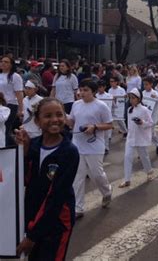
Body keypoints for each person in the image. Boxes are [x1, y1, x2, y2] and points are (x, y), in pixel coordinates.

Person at [15, 98, 79, 260]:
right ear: (37, 121)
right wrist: (24, 152)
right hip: (33, 218)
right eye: (47, 116)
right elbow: (24, 180)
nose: (54, 120)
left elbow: (56, 197)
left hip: (57, 222)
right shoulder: (34, 144)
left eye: (59, 115)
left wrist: (32, 236)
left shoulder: (69, 152)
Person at [68, 79, 113, 218]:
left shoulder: (101, 106)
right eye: (81, 90)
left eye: (86, 90)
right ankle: (78, 208)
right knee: (78, 177)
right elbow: (72, 123)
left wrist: (94, 127)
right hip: (77, 145)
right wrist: (62, 117)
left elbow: (110, 125)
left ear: (93, 91)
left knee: (96, 174)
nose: (82, 93)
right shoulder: (76, 105)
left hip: (94, 145)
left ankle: (107, 191)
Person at [119, 88, 154, 188]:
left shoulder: (144, 109)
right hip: (131, 137)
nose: (131, 100)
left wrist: (142, 123)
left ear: (139, 99)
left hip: (140, 137)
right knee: (127, 157)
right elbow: (129, 124)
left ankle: (149, 171)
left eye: (133, 98)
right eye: (130, 98)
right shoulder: (129, 109)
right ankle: (127, 180)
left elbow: (151, 123)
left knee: (144, 156)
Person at [0, 55, 24, 146]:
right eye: (2, 61)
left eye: (6, 62)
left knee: (6, 128)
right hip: (0, 105)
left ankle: (11, 148)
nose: (3, 63)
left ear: (11, 65)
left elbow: (19, 93)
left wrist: (20, 109)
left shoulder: (15, 76)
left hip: (10, 104)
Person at [143, 76, 158, 155]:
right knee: (145, 134)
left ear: (151, 84)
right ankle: (143, 151)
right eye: (144, 85)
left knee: (150, 134)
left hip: (152, 118)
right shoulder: (143, 93)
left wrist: (155, 97)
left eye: (147, 84)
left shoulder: (155, 93)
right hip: (144, 118)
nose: (145, 86)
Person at [96, 80, 113, 154]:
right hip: (97, 116)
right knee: (99, 133)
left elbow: (114, 106)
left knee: (106, 134)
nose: (99, 89)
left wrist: (115, 100)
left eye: (101, 87)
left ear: (104, 87)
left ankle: (106, 147)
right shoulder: (95, 96)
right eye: (98, 87)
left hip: (106, 116)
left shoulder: (109, 96)